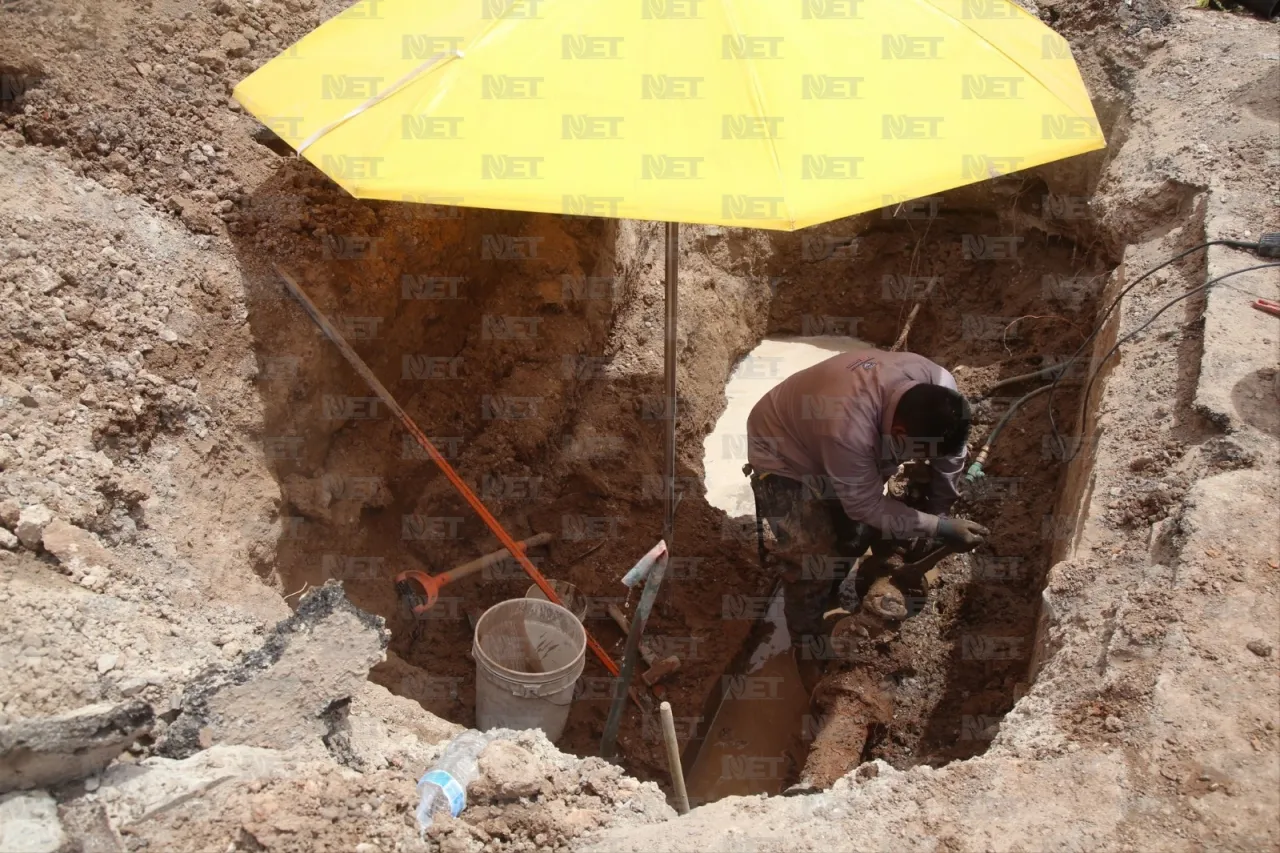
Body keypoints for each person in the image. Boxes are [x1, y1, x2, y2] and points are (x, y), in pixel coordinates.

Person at [744, 349, 987, 689]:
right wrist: (941, 528)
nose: (921, 460)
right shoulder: (848, 428)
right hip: (782, 449)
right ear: (900, 432)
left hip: (827, 437)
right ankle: (805, 644)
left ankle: (831, 589)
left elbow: (952, 453)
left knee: (855, 538)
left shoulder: (941, 385)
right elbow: (866, 506)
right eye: (919, 453)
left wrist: (940, 507)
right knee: (812, 554)